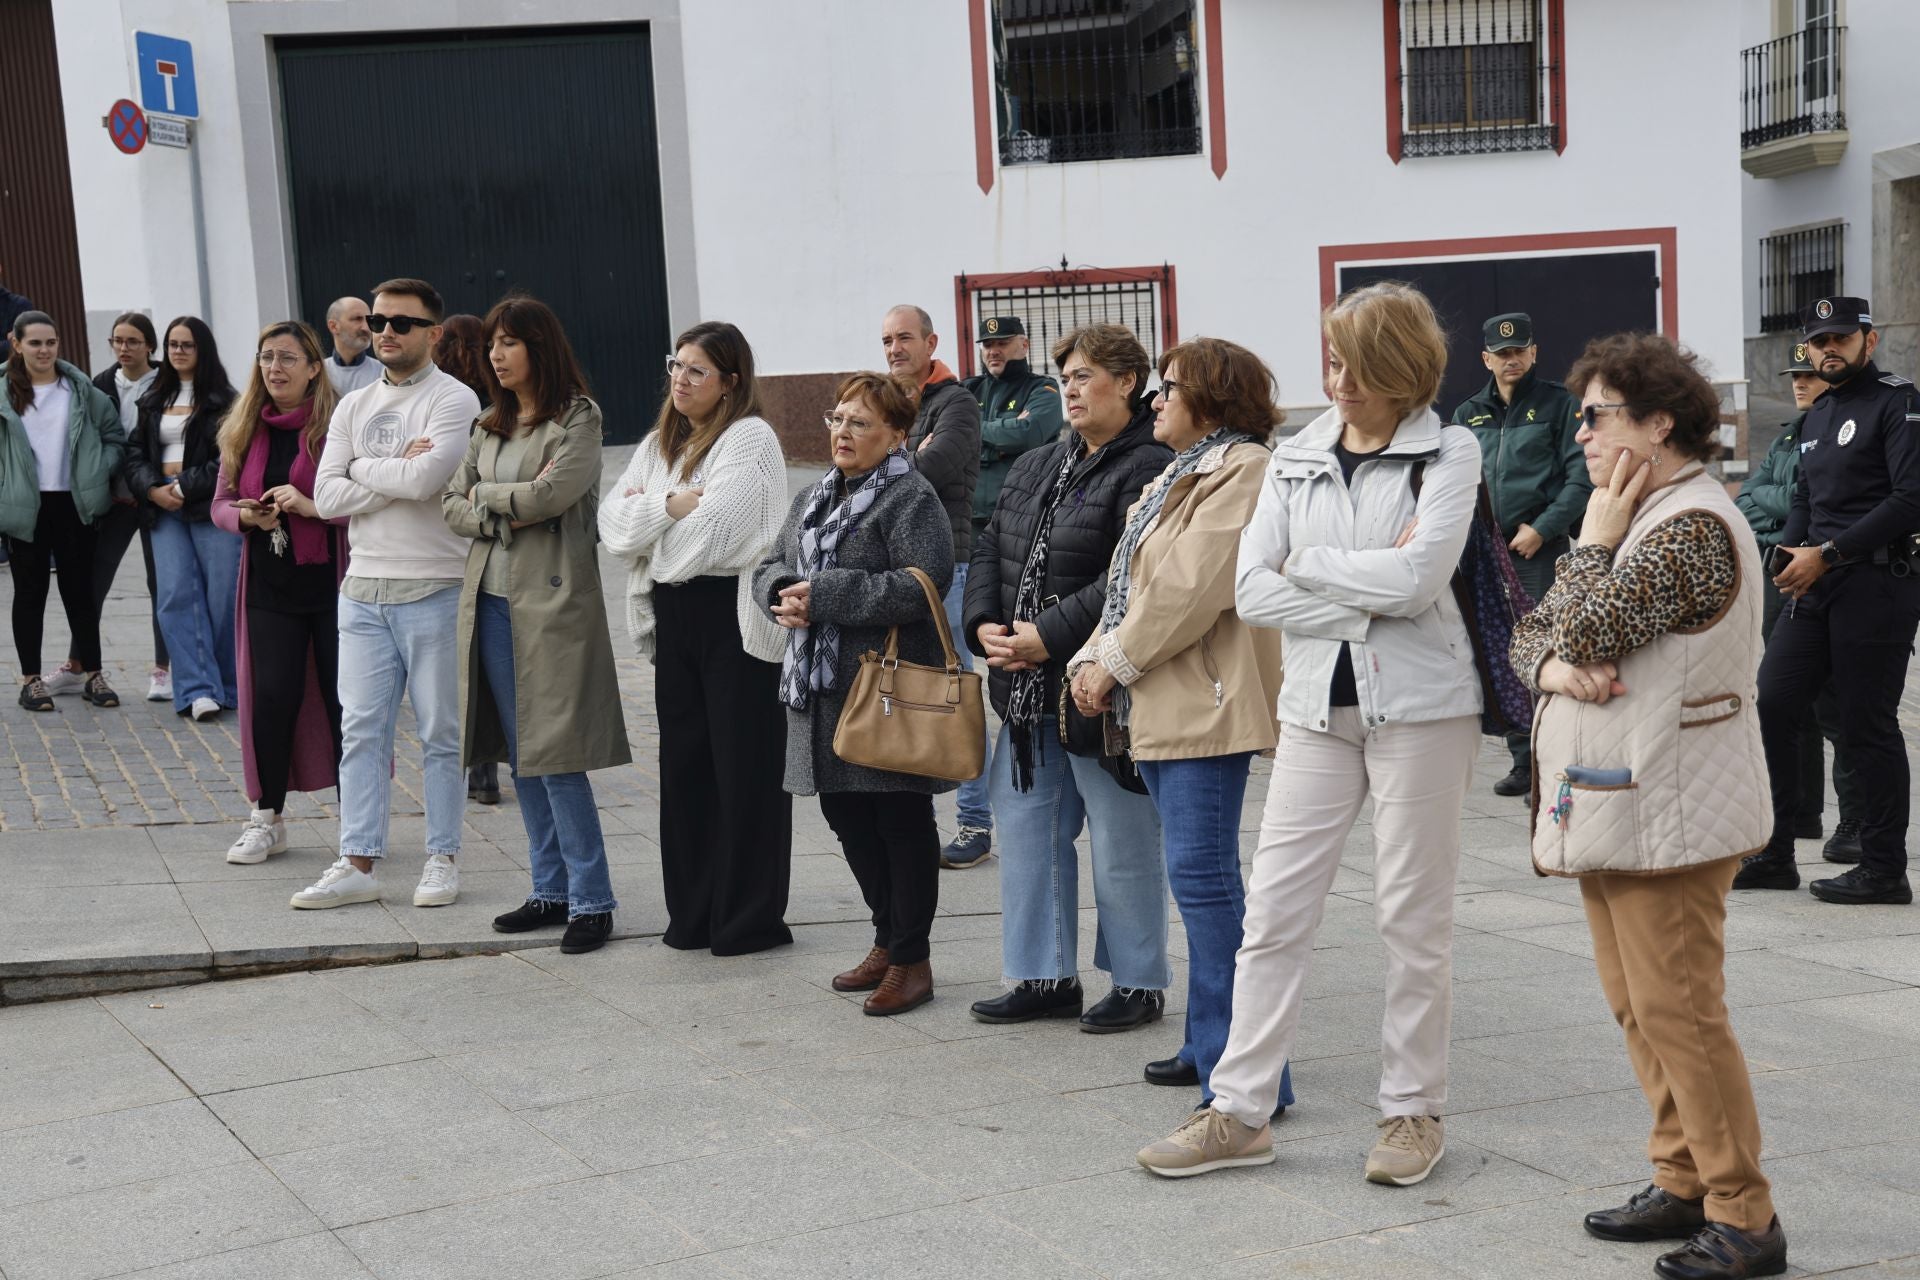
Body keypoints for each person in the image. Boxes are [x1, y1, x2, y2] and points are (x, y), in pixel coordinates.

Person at [1137, 283, 1481, 1185]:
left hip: (1421, 710)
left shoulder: (1449, 450)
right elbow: (1252, 592)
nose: (1340, 383)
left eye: (1359, 367)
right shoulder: (1295, 454)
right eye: (1332, 362)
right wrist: (1363, 595)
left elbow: (1419, 578)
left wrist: (1313, 568)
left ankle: (1412, 1112)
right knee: (1276, 913)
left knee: (1412, 919)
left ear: (1404, 369)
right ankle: (1239, 1107)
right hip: (1310, 712)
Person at [1510, 333, 1786, 1280]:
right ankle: (1683, 1179)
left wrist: (1586, 544)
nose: (1580, 433)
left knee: (1682, 1014)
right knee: (1639, 1008)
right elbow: (1530, 635)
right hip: (1618, 800)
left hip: (1672, 807)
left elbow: (1582, 620)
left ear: (1660, 423)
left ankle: (1745, 1218)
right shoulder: (1644, 513)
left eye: (1598, 416)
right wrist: (1547, 664)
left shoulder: (1689, 527)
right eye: (1581, 415)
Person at [1065, 336, 1294, 1117]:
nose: (1156, 400)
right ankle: (1212, 1044)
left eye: (1170, 389)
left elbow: (1191, 590)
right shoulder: (1179, 472)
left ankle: (1250, 1070)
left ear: (1213, 398)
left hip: (1206, 700)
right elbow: (1129, 586)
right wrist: (1089, 660)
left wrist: (1112, 664)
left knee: (1204, 881)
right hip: (1164, 699)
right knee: (1198, 880)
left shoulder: (1246, 469)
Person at [963, 322, 1172, 1033]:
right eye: (1067, 378)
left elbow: (1129, 577)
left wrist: (1044, 638)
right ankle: (1042, 974)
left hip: (1099, 690)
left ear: (1128, 383)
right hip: (1024, 692)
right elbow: (990, 542)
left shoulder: (1147, 465)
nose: (1072, 390)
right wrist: (983, 622)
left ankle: (1138, 982)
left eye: (1086, 376)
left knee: (1121, 841)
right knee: (1025, 833)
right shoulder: (1039, 463)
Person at [753, 370, 956, 1014]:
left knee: (897, 821)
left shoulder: (910, 498)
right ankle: (886, 938)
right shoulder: (813, 496)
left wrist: (828, 596)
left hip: (881, 690)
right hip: (819, 690)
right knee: (846, 819)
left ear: (897, 435)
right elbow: (770, 563)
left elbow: (924, 583)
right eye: (838, 419)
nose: (843, 432)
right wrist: (780, 592)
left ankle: (912, 959)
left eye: (860, 422)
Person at [600, 321, 793, 955]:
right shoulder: (662, 442)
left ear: (730, 381)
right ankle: (691, 915)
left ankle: (747, 920)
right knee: (685, 769)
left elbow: (719, 538)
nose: (680, 379)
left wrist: (656, 523)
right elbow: (613, 524)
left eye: (696, 370)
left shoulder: (750, 439)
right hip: (675, 619)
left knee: (744, 770)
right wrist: (671, 506)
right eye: (676, 366)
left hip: (733, 621)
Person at [444, 296, 629, 954]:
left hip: (551, 606)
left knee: (559, 756)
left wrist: (485, 501)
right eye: (492, 342)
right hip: (491, 600)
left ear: (539, 348)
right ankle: (549, 888)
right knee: (522, 756)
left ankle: (593, 899)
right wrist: (504, 508)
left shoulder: (576, 418)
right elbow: (450, 503)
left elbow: (556, 496)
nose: (495, 353)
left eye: (510, 342)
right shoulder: (490, 423)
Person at [303, 277, 479, 911]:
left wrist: (366, 473)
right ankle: (357, 860)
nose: (386, 333)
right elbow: (326, 498)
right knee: (362, 730)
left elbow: (430, 476)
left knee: (441, 731)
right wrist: (396, 472)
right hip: (362, 590)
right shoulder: (351, 405)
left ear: (433, 332)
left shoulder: (456, 400)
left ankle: (441, 856)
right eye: (378, 321)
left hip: (434, 585)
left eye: (402, 323)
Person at [1740, 295, 1920, 906]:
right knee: (1775, 701)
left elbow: (1909, 500)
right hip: (1815, 583)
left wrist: (1830, 553)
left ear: (1869, 342)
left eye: (1841, 338)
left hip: (1876, 584)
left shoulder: (1899, 402)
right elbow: (1804, 500)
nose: (1829, 350)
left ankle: (1883, 867)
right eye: (1820, 341)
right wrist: (1789, 551)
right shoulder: (1817, 415)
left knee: (1866, 725)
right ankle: (1774, 850)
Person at [210, 322, 347, 865]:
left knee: (346, 703)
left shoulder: (338, 426)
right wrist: (247, 519)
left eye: (288, 358)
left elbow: (360, 497)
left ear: (314, 367)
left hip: (334, 583)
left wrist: (309, 503)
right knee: (272, 698)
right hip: (269, 584)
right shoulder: (244, 428)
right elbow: (220, 503)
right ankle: (266, 817)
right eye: (267, 357)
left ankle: (355, 822)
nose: (275, 368)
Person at [1450, 311, 1591, 797]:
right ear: (1486, 358)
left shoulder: (1559, 404)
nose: (1512, 360)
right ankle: (1522, 760)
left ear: (1533, 352)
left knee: (1544, 649)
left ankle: (1551, 757)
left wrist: (1543, 528)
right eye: (1502, 353)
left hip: (1537, 550)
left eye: (1519, 351)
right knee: (1502, 650)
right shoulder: (1468, 414)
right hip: (1487, 551)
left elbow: (1580, 478)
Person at [943, 315, 1063, 871]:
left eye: (1002, 343)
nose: (992, 352)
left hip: (1019, 542)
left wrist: (980, 438)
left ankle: (983, 819)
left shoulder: (1040, 389)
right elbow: (983, 440)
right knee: (958, 681)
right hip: (967, 540)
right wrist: (996, 434)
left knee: (1006, 681)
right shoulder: (969, 391)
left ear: (1023, 344)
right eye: (986, 344)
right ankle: (972, 817)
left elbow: (1034, 433)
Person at [1734, 342, 1857, 858]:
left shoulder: (1845, 429)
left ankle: (1854, 821)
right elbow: (1746, 496)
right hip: (1778, 574)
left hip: (1833, 577)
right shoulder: (1791, 432)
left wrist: (1770, 501)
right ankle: (1801, 812)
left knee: (1841, 709)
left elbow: (1808, 501)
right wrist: (1771, 502)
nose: (1800, 383)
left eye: (1808, 375)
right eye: (1794, 376)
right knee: (1785, 701)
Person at [0, 311, 125, 709]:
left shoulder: (80, 389)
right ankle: (31, 680)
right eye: (35, 342)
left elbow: (113, 436)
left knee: (80, 591)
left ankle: (93, 674)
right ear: (15, 343)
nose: (44, 350)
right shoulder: (3, 392)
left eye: (50, 342)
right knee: (30, 592)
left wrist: (98, 472)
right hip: (26, 505)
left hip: (74, 503)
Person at [126, 316, 239, 721]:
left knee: (222, 597)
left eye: (186, 345)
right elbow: (135, 453)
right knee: (175, 595)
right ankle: (196, 689)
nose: (177, 352)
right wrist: (153, 489)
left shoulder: (226, 400)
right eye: (172, 344)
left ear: (202, 349)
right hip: (164, 511)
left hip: (210, 507)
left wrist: (184, 487)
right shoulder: (154, 397)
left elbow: (230, 458)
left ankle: (228, 685)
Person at [68, 312, 169, 703]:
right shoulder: (101, 384)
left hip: (157, 496)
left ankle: (164, 669)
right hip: (115, 499)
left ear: (149, 346)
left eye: (132, 341)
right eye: (117, 341)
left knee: (162, 584)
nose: (124, 348)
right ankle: (78, 663)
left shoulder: (166, 382)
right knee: (93, 581)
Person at [433, 313, 503, 807]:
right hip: (488, 540)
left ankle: (477, 770)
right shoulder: (496, 399)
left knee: (465, 660)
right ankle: (495, 769)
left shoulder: (441, 397)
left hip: (448, 535)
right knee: (495, 655)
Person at [324, 296, 383, 397]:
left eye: (369, 320)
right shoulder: (316, 374)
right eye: (357, 319)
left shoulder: (384, 373)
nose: (366, 328)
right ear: (334, 326)